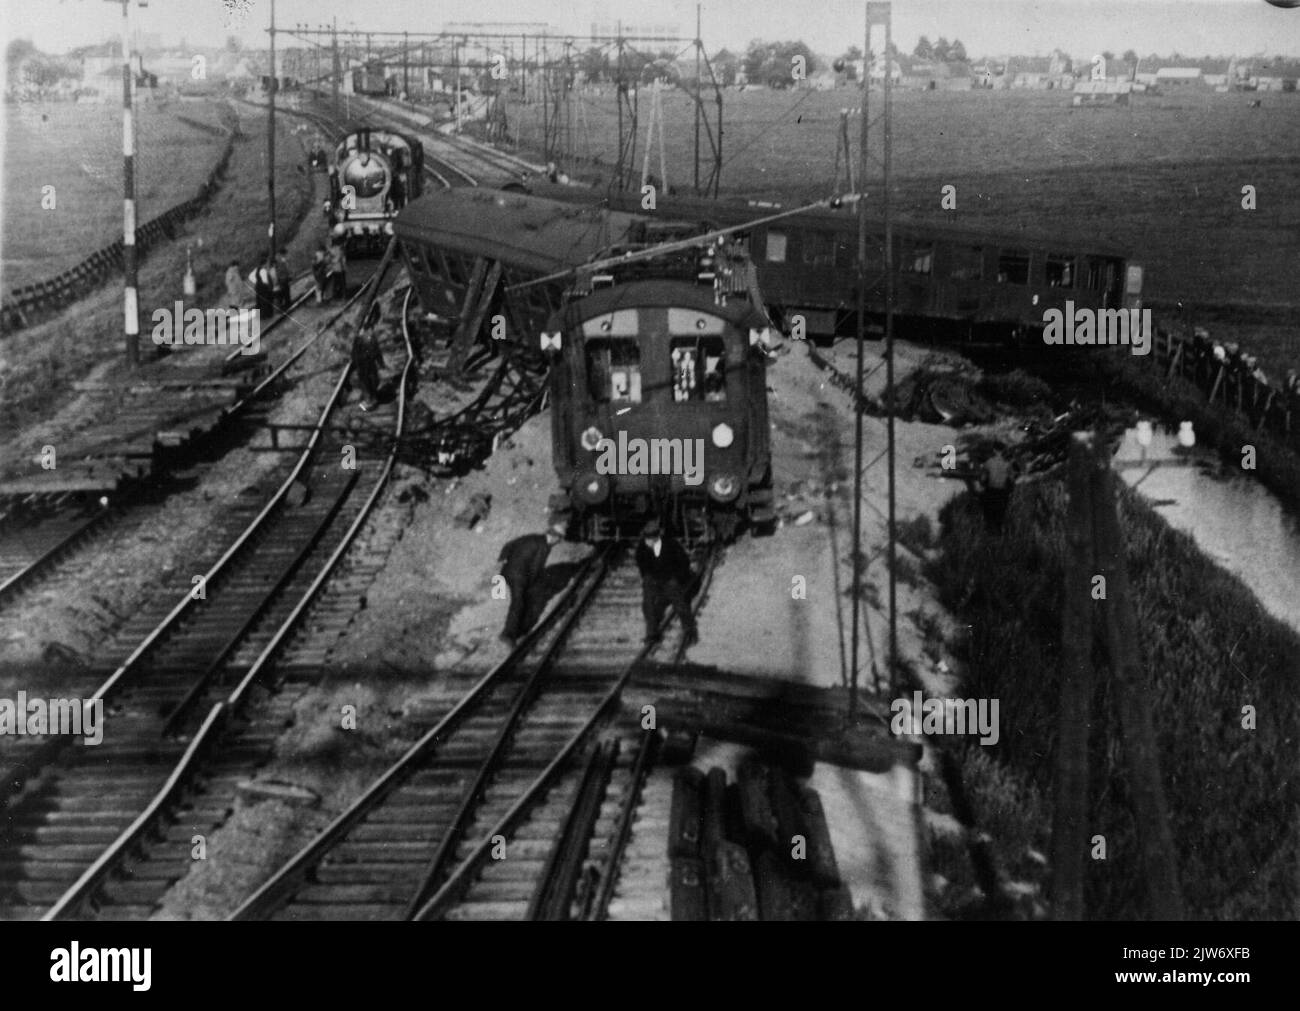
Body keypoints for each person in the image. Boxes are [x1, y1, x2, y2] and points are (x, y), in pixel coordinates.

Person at [496, 523, 566, 647]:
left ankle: (516, 630)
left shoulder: (533, 537)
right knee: (519, 602)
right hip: (518, 576)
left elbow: (509, 545)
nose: (558, 543)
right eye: (559, 540)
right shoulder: (544, 546)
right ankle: (508, 634)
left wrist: (502, 560)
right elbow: (535, 568)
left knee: (521, 600)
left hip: (508, 571)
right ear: (555, 537)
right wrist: (531, 585)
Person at [635, 519, 698, 648]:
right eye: (646, 539)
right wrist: (647, 577)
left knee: (680, 605)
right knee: (648, 605)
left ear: (657, 537)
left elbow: (684, 562)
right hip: (653, 579)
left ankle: (690, 632)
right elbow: (641, 562)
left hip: (670, 579)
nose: (648, 542)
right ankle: (652, 634)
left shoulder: (671, 544)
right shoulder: (643, 547)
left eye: (650, 539)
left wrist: (676, 579)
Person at [977, 447, 1016, 533]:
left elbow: (983, 479)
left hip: (991, 491)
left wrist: (983, 484)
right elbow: (1012, 479)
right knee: (1000, 512)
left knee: (989, 511)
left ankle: (989, 530)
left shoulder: (988, 463)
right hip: (1002, 492)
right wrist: (1010, 490)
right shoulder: (1007, 464)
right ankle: (999, 531)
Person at [350, 325, 384, 411]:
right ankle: (370, 399)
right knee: (368, 381)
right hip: (365, 365)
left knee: (368, 381)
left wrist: (380, 362)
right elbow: (354, 354)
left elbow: (354, 354)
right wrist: (380, 363)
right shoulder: (363, 339)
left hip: (366, 364)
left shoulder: (362, 339)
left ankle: (370, 399)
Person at [275, 247, 292, 312]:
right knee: (286, 292)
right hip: (284, 278)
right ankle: (287, 305)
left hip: (280, 278)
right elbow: (287, 268)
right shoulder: (283, 259)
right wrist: (290, 275)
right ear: (283, 253)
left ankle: (283, 305)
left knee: (282, 291)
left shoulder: (276, 258)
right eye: (285, 254)